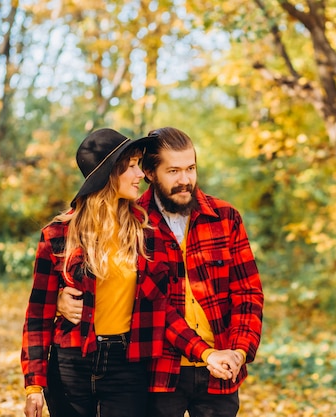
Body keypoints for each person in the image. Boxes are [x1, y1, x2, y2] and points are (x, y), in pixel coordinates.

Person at [58, 126, 264, 417]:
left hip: (221, 370)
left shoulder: (225, 217)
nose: (185, 180)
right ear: (150, 173)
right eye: (174, 171)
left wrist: (238, 351)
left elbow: (248, 292)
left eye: (191, 168)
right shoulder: (134, 224)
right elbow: (109, 278)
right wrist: (59, 298)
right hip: (159, 372)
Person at [21, 128, 169, 417]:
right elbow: (37, 313)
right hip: (70, 363)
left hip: (127, 365)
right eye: (130, 167)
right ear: (109, 176)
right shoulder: (58, 233)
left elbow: (165, 300)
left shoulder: (147, 232)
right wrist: (34, 386)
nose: (140, 174)